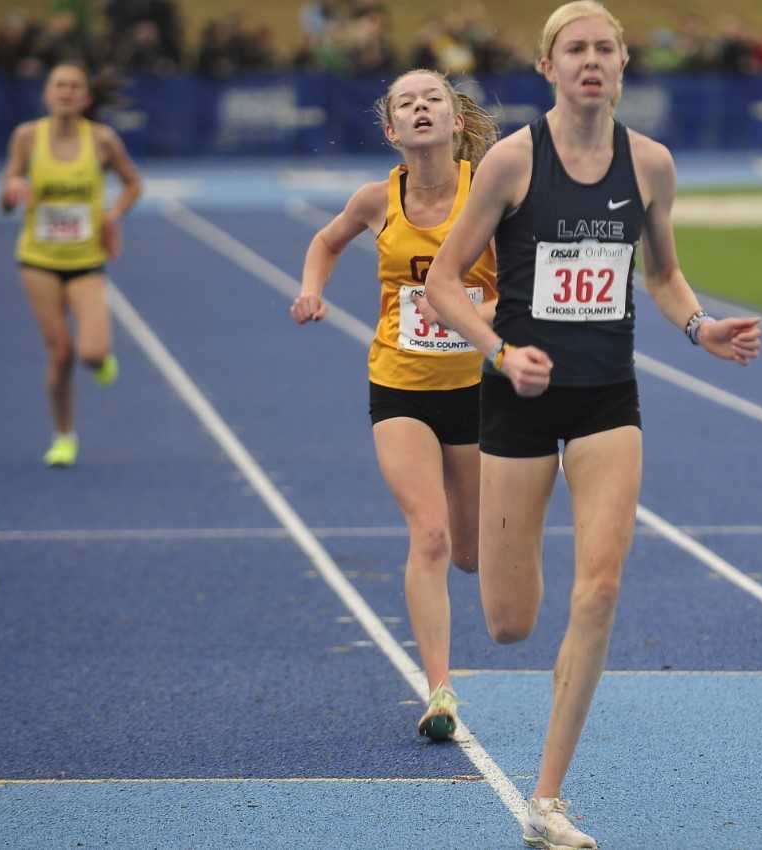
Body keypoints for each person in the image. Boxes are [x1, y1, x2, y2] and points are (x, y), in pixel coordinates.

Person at [424, 3, 762, 847]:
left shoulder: (650, 165)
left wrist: (701, 327)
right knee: (510, 620)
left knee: (601, 589)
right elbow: (440, 281)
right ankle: (509, 559)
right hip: (520, 399)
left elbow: (666, 275)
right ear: (548, 68)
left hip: (610, 397)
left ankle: (547, 801)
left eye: (604, 48)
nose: (591, 61)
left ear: (622, 64)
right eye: (574, 49)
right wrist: (501, 352)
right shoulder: (510, 162)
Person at [289, 69, 499, 742]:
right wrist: (311, 289)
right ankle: (440, 689)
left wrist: (492, 310)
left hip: (474, 391)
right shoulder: (377, 199)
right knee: (429, 534)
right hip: (400, 387)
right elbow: (325, 242)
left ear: (456, 119)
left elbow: (525, 272)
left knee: (469, 552)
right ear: (391, 129)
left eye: (432, 98)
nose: (419, 107)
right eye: (406, 102)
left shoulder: (490, 191)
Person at [0, 61, 142, 467]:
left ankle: (100, 361)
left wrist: (112, 215)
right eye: (58, 85)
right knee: (60, 353)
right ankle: (64, 436)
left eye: (73, 86)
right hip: (38, 260)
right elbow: (6, 200)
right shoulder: (27, 138)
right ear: (47, 94)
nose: (65, 92)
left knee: (92, 354)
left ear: (85, 97)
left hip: (85, 259)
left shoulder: (101, 140)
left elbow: (134, 183)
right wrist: (11, 193)